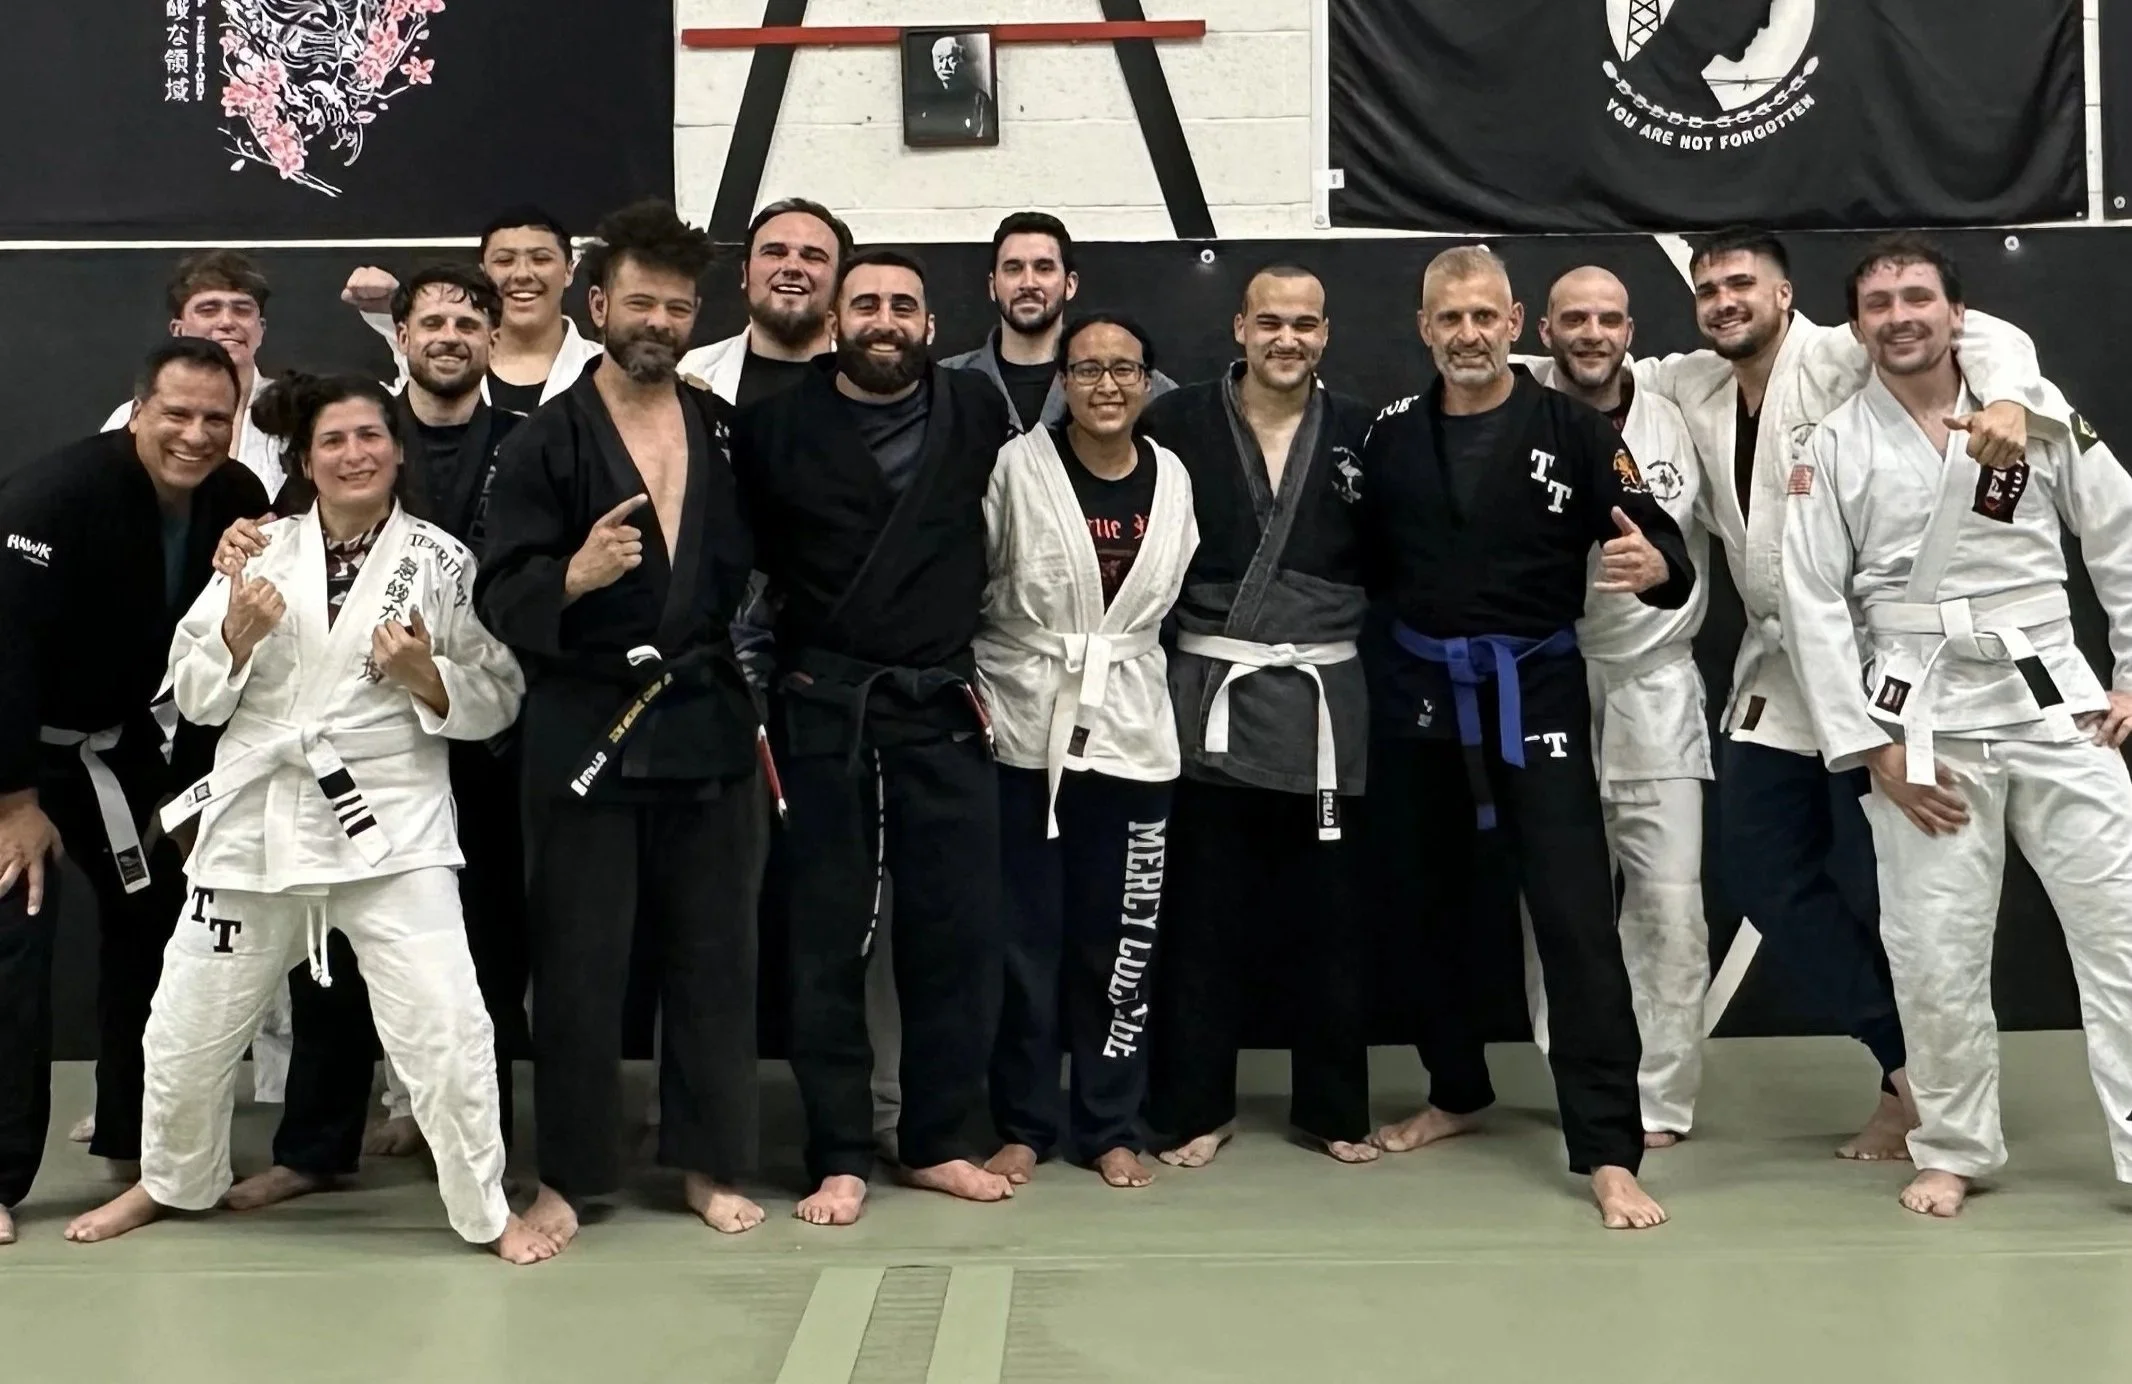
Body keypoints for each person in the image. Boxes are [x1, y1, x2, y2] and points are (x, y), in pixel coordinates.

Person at [58, 373, 550, 1265]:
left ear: (398, 450)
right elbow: (192, 700)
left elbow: (500, 696)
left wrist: (426, 679)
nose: (355, 454)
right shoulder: (253, 553)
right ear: (305, 460)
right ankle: (172, 1179)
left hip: (391, 828)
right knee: (185, 1021)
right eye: (334, 441)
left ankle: (484, 1209)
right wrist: (238, 636)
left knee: (446, 1026)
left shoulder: (442, 562)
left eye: (371, 436)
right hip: (258, 816)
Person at [1631, 226, 2063, 1159]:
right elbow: (1598, 368)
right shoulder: (1694, 385)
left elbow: (1984, 336)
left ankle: (1919, 1093)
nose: (1722, 301)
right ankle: (1905, 1065)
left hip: (1878, 661)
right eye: (1707, 289)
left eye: (1742, 283)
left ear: (1785, 296)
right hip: (1773, 667)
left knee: (1882, 890)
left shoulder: (1836, 352)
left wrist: (2016, 403)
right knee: (1757, 871)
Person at [1780, 234, 2132, 1219]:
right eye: (1877, 302)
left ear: (1954, 314)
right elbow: (1808, 602)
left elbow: (2117, 533)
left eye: (1916, 297)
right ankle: (1952, 1144)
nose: (1898, 315)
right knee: (1932, 952)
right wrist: (1869, 745)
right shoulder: (1834, 442)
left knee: (2122, 933)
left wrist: (2127, 674)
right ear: (1855, 327)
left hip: (2052, 703)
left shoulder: (2035, 413)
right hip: (1920, 719)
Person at [1363, 246, 1692, 1231]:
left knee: (1572, 918)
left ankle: (1605, 1148)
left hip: (1534, 690)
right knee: (1426, 910)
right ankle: (1455, 1088)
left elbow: (1661, 542)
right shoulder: (1389, 440)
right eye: (1446, 318)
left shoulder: (1575, 430)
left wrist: (1654, 563)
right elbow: (1365, 569)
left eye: (1482, 317)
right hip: (1417, 693)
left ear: (1514, 323)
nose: (1466, 334)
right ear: (1423, 328)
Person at [477, 199, 768, 1249]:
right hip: (583, 724)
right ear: (596, 303)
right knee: (580, 961)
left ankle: (707, 1160)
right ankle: (571, 1175)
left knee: (714, 954)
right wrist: (572, 574)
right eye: (639, 299)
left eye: (677, 305)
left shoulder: (719, 427)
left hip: (704, 718)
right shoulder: (546, 442)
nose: (657, 318)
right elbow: (496, 592)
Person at [210, 264, 531, 1175]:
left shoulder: (533, 440)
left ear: (494, 342)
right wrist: (243, 537)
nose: (449, 335)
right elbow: (291, 539)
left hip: (482, 720)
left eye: (469, 323)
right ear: (402, 337)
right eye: (431, 320)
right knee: (330, 953)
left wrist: (444, 676)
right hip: (355, 740)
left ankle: (471, 1139)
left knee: (485, 946)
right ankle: (316, 1146)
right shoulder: (356, 430)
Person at [730, 248, 1015, 1225]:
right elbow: (746, 577)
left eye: (903, 303)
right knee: (824, 939)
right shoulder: (771, 427)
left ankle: (937, 1135)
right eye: (866, 303)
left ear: (929, 323)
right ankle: (839, 1149)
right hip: (824, 707)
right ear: (835, 321)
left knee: (957, 932)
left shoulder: (977, 412)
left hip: (940, 704)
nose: (884, 317)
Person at [0, 339, 269, 1246]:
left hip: (120, 754)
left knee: (154, 923)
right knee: (13, 940)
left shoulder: (233, 499)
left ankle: (134, 1140)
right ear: (137, 410)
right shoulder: (54, 498)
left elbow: (218, 654)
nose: (195, 435)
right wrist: (13, 803)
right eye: (177, 414)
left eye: (215, 419)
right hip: (14, 760)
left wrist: (194, 792)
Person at [1139, 263, 1377, 1169]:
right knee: (1205, 914)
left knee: (1333, 917)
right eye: (1270, 321)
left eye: (1306, 324)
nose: (1289, 338)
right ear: (1238, 326)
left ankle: (1332, 1106)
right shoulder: (1175, 423)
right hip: (1209, 704)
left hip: (1324, 705)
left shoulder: (1363, 430)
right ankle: (1195, 1104)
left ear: (1326, 332)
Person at [975, 314, 1198, 1190]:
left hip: (1133, 730)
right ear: (1061, 380)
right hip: (1027, 724)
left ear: (1148, 381)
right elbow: (982, 580)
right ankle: (1026, 1122)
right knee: (1022, 942)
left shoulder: (1174, 478)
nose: (1106, 384)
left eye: (1124, 369)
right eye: (1088, 369)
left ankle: (1109, 1121)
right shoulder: (1016, 470)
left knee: (1123, 943)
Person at [1515, 267, 1711, 1146]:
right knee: (1559, 903)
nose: (1591, 334)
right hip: (1549, 676)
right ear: (1544, 329)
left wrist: (1666, 569)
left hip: (1654, 682)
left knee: (1670, 903)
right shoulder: (1516, 412)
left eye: (1607, 319)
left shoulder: (1677, 407)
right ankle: (1579, 1082)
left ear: (1632, 328)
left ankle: (1660, 1099)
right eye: (1573, 320)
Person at [344, 206, 605, 411]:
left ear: (569, 270)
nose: (523, 274)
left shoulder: (606, 370)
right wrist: (388, 307)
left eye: (541, 259)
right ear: (484, 272)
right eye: (504, 260)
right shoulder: (441, 361)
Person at [944, 212, 1177, 433]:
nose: (1028, 283)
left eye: (1044, 268)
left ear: (1070, 284)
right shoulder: (945, 384)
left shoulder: (1134, 384)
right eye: (1013, 269)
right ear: (992, 286)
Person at [99, 250, 285, 499]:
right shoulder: (133, 416)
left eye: (242, 310)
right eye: (209, 309)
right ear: (178, 329)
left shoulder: (292, 414)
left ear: (260, 329)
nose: (228, 321)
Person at [678, 197, 850, 405]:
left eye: (813, 257)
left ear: (840, 282)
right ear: (745, 274)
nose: (792, 267)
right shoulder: (685, 375)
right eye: (774, 253)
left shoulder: (868, 382)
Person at [909, 33, 996, 142]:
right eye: (939, 59)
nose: (944, 66)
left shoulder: (979, 101)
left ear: (961, 60)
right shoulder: (925, 98)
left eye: (951, 58)